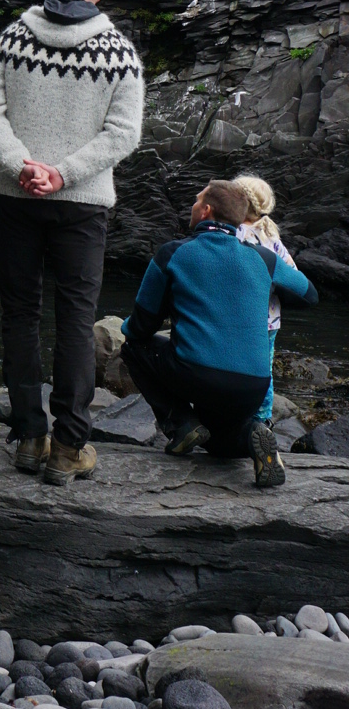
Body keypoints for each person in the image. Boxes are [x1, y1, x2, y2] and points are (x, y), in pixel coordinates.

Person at [0, 0, 144, 485]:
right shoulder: (119, 53)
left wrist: (23, 166)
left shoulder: (14, 38)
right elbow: (123, 134)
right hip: (82, 203)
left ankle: (29, 436)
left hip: (19, 195)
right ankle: (68, 447)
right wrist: (64, 175)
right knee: (75, 320)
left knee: (20, 314)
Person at [121, 179, 318, 488]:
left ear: (206, 211)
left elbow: (141, 326)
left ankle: (181, 424)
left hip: (195, 375)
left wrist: (126, 329)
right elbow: (309, 295)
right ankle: (252, 434)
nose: (192, 205)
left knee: (133, 347)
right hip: (252, 386)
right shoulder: (263, 258)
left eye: (196, 200)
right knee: (218, 444)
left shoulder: (173, 253)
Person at [232, 174, 295, 425]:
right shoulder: (272, 237)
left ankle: (235, 414)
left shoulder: (236, 234)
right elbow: (293, 274)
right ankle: (263, 419)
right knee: (264, 370)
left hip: (241, 317)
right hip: (270, 319)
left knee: (235, 365)